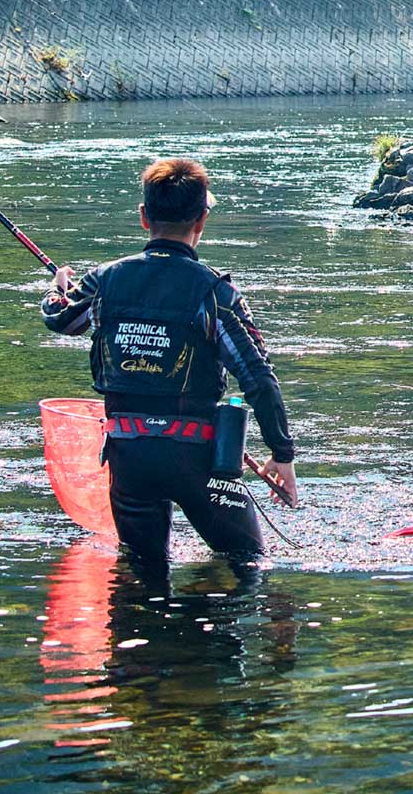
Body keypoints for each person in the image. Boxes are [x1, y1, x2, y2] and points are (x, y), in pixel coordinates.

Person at [41, 158, 297, 571]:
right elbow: (257, 378)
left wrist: (56, 291)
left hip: (129, 459)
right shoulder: (216, 293)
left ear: (144, 218)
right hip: (198, 460)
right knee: (247, 565)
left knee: (142, 575)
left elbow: (62, 318)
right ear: (202, 220)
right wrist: (281, 453)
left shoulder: (104, 280)